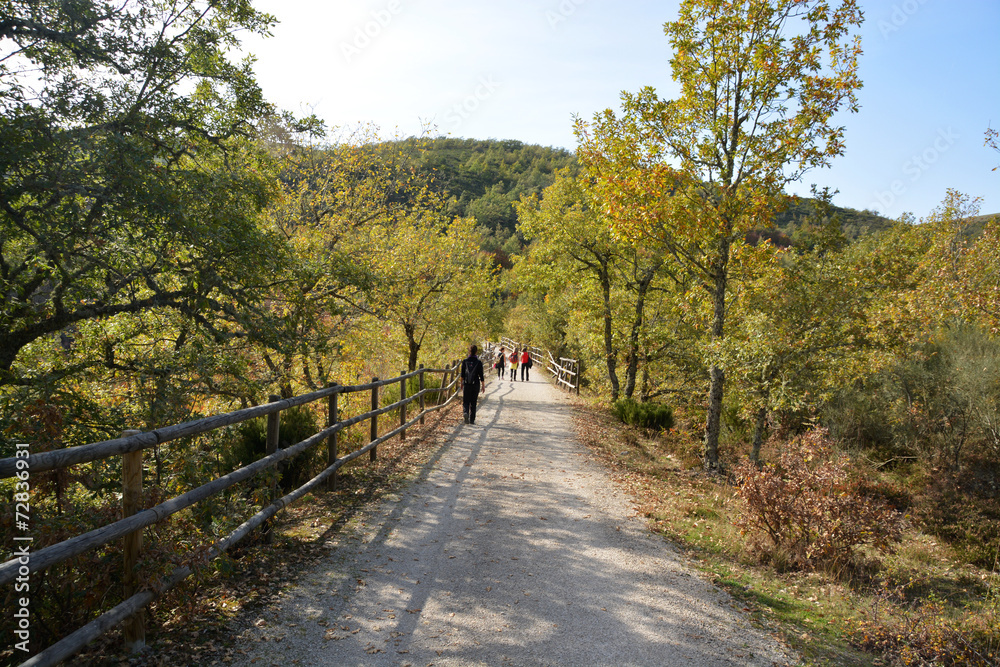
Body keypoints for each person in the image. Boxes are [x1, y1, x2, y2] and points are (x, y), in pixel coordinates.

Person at [460, 344, 486, 424]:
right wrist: (483, 385)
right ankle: (472, 420)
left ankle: (466, 413)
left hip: (467, 384)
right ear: (476, 352)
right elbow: (481, 375)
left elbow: (462, 374)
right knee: (474, 402)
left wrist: (461, 383)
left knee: (466, 401)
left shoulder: (465, 361)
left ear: (469, 351)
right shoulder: (478, 362)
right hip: (475, 384)